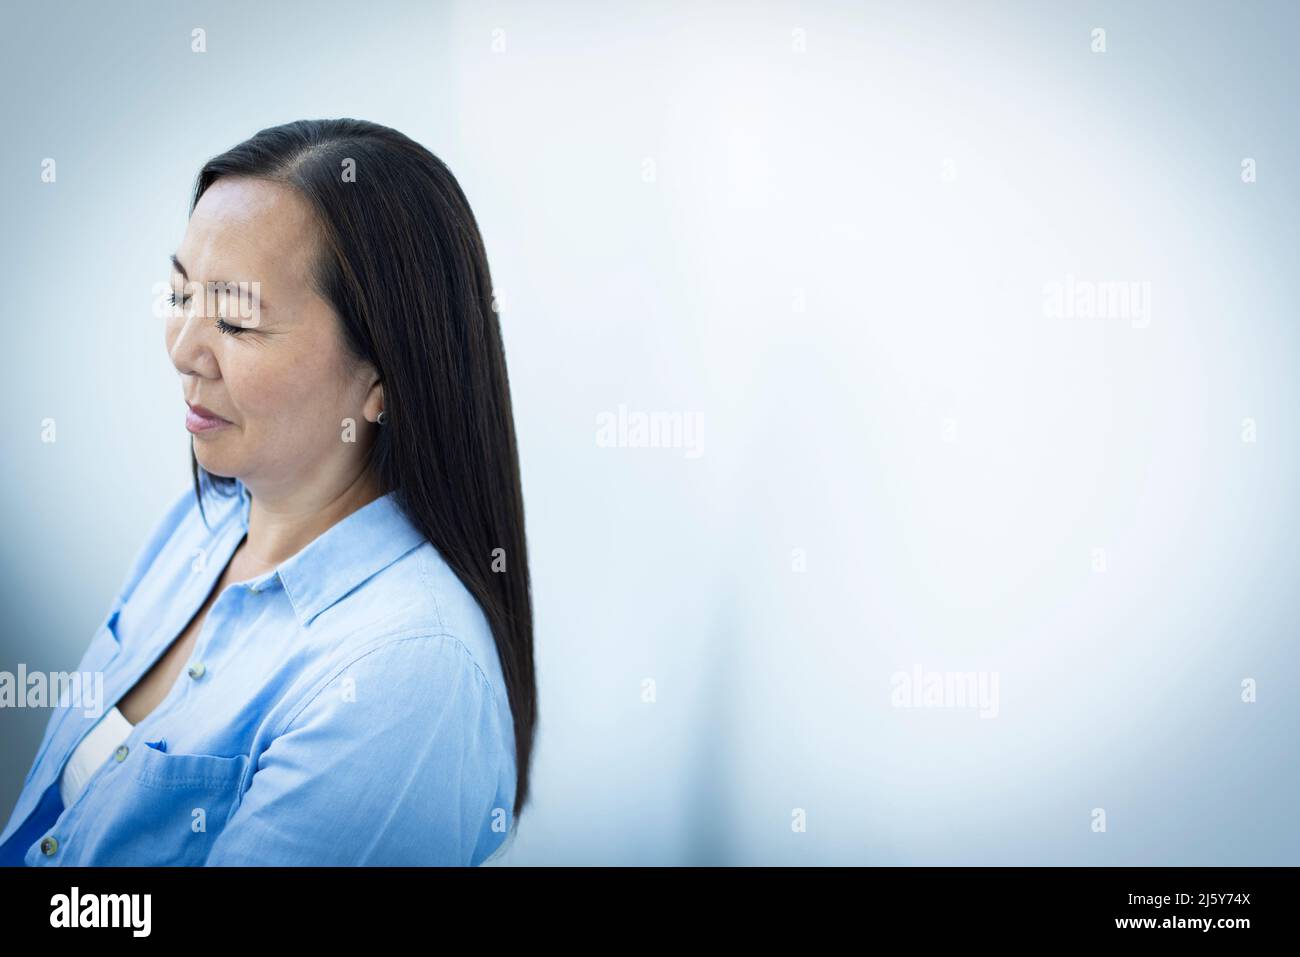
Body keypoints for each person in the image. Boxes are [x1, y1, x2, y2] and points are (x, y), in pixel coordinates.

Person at [0, 118, 537, 866]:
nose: (184, 350)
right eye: (180, 292)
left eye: (237, 319)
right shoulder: (204, 524)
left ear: (383, 378)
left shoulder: (407, 677)